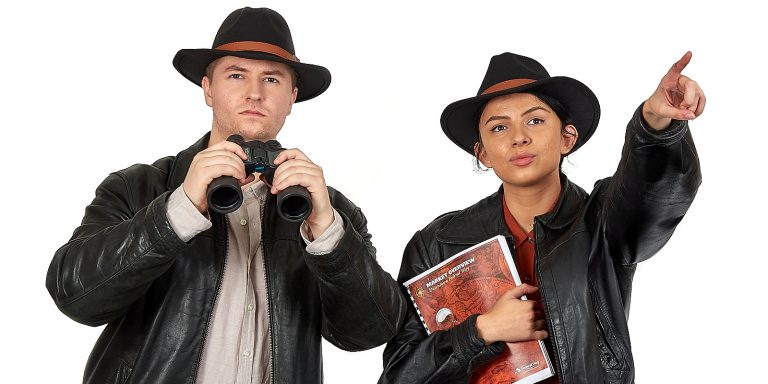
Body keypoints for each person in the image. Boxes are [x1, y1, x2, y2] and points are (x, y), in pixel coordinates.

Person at [46, 7, 406, 384]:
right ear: (208, 89)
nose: (254, 92)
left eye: (272, 79)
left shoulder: (332, 211)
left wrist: (327, 233)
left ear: (292, 97)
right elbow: (75, 296)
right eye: (236, 75)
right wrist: (179, 210)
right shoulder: (138, 187)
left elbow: (369, 332)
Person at [379, 51, 703, 383]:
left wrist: (654, 124)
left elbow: (654, 192)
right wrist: (482, 331)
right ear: (483, 153)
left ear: (567, 138)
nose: (518, 137)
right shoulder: (437, 244)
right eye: (499, 127)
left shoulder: (604, 221)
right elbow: (400, 375)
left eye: (535, 120)